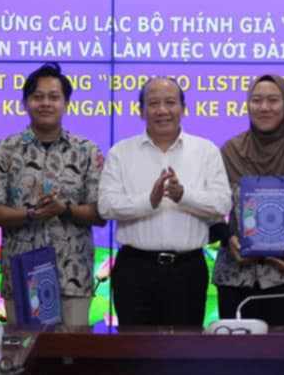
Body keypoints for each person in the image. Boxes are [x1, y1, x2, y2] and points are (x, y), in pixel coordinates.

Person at [98, 76, 230, 326]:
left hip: (187, 269)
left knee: (185, 346)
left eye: (170, 102)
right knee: (134, 347)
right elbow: (106, 206)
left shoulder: (206, 151)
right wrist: (149, 201)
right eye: (153, 103)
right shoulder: (121, 153)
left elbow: (222, 203)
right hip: (135, 270)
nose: (162, 110)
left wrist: (183, 196)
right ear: (141, 111)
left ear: (183, 108)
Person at [0, 65, 104, 326]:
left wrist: (65, 210)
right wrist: (30, 214)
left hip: (72, 277)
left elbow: (100, 213)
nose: (45, 103)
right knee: (25, 350)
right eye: (38, 97)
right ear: (25, 103)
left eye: (54, 97)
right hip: (21, 276)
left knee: (73, 350)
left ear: (66, 103)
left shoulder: (86, 151)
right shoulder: (5, 150)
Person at [214, 75, 284, 326]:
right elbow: (214, 207)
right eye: (257, 100)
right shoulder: (230, 151)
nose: (264, 107)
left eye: (273, 100)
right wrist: (228, 238)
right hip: (236, 277)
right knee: (236, 350)